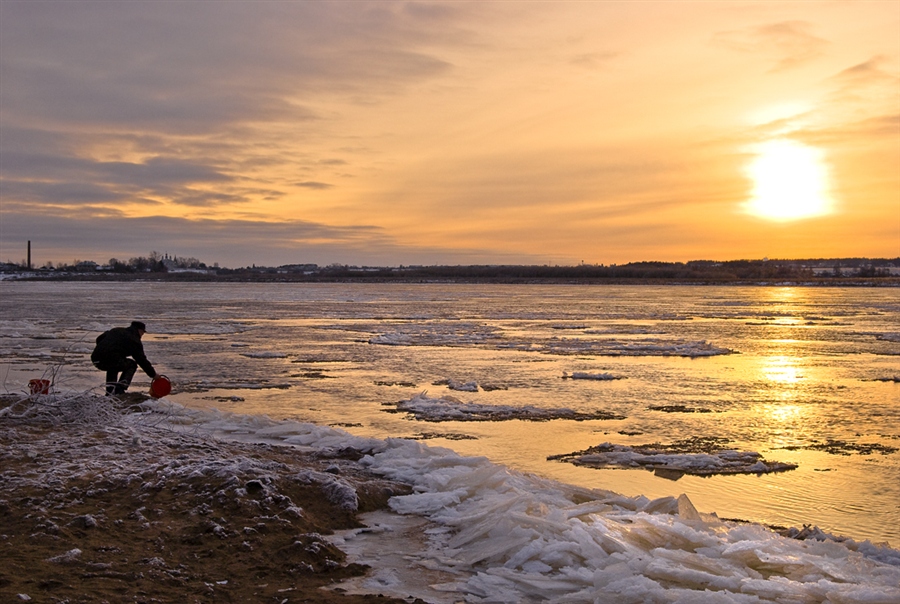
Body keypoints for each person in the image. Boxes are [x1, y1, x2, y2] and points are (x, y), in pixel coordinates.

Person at [91, 321, 157, 395]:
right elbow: (141, 360)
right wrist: (153, 375)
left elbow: (99, 338)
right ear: (139, 330)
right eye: (143, 333)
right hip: (109, 358)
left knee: (113, 366)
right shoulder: (134, 340)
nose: (142, 335)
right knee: (132, 364)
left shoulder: (116, 330)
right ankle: (120, 388)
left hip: (96, 358)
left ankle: (110, 391)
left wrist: (104, 349)